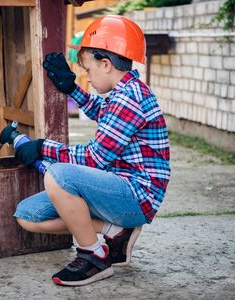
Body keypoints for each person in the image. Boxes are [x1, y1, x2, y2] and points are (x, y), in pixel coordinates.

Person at [13, 15, 171, 286]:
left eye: (88, 70)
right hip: (118, 191)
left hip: (135, 195)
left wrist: (42, 147)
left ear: (106, 64)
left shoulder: (130, 98)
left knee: (58, 175)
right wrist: (73, 89)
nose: (87, 76)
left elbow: (95, 158)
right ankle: (117, 231)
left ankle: (93, 256)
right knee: (28, 215)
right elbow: (104, 112)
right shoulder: (122, 94)